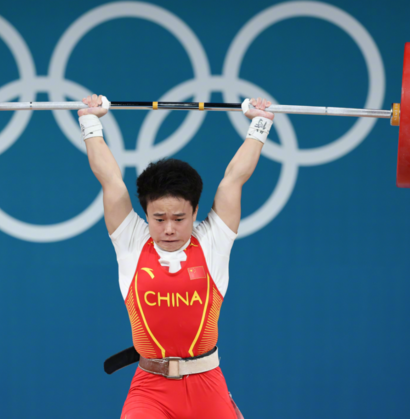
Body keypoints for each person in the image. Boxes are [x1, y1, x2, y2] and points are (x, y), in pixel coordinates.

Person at [79, 94, 274, 419]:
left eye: (179, 219)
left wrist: (260, 123)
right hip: (150, 390)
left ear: (195, 211)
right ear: (145, 213)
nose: (169, 228)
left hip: (207, 388)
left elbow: (234, 179)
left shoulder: (213, 240)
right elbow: (110, 179)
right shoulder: (131, 240)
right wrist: (89, 120)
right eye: (158, 219)